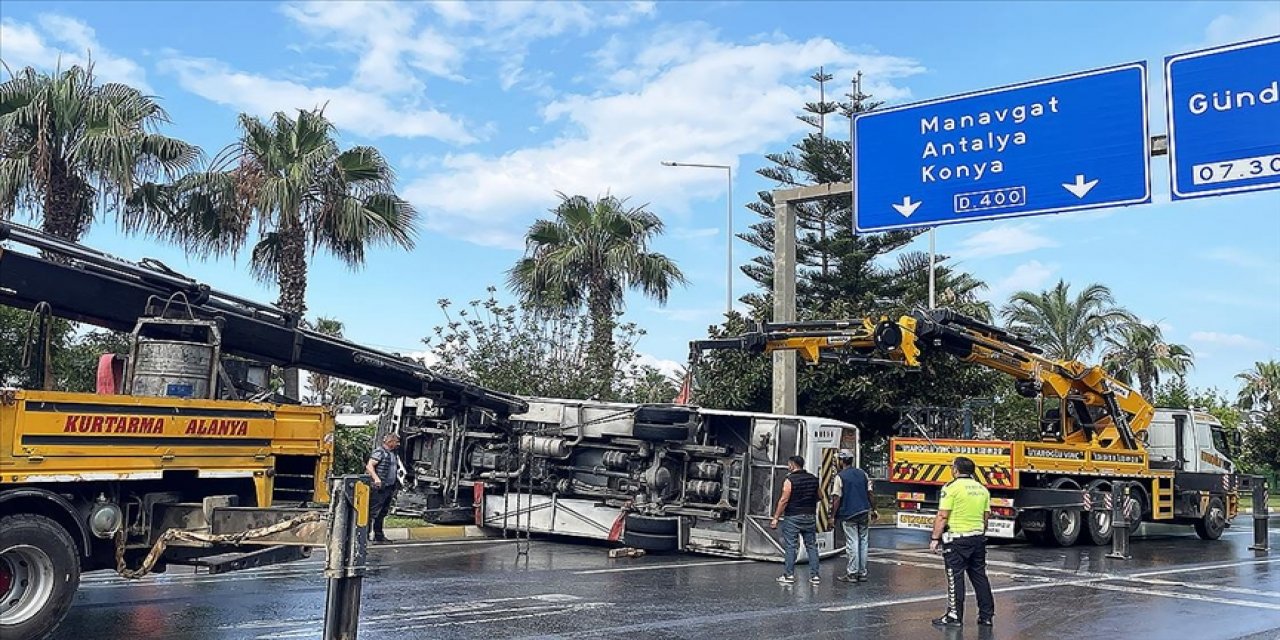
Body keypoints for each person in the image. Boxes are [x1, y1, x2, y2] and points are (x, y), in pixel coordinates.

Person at [929, 456, 995, 627]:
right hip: (978, 538)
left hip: (957, 539)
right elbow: (985, 517)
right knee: (979, 576)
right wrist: (981, 533)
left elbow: (943, 515)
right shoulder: (982, 489)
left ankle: (954, 615)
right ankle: (986, 616)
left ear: (956, 470)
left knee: (955, 577)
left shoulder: (951, 488)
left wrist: (935, 538)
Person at [771, 455, 821, 585]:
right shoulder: (813, 479)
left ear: (792, 465)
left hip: (793, 516)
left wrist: (776, 517)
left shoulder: (789, 480)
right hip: (809, 515)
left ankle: (789, 575)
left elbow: (784, 500)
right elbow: (820, 496)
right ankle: (815, 576)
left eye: (789, 464)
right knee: (811, 546)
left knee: (791, 546)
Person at [830, 449, 877, 583]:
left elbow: (836, 498)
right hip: (863, 511)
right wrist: (874, 509)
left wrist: (832, 516)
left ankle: (852, 573)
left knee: (853, 542)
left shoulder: (840, 476)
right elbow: (870, 493)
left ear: (842, 461)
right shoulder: (863, 474)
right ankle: (862, 573)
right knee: (863, 542)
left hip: (848, 513)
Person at [365, 432, 402, 543]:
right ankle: (365, 536)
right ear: (390, 442)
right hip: (378, 488)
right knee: (372, 513)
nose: (398, 444)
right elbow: (369, 466)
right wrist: (376, 479)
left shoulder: (392, 454)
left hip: (388, 487)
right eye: (396, 442)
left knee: (382, 513)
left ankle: (379, 536)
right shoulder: (380, 452)